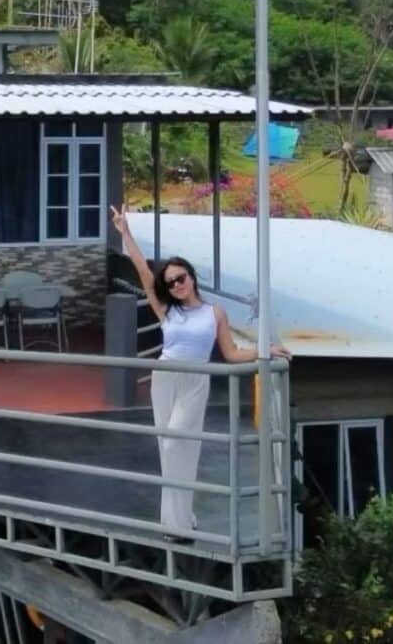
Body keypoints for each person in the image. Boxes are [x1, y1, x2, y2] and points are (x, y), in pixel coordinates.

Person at [110, 204, 291, 539]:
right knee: (168, 446)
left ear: (192, 278)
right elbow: (144, 274)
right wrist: (126, 233)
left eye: (181, 278)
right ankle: (177, 521)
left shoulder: (214, 313)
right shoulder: (166, 309)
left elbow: (232, 354)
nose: (177, 284)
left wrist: (265, 352)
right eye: (172, 282)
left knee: (178, 444)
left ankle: (178, 521)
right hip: (165, 377)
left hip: (195, 380)